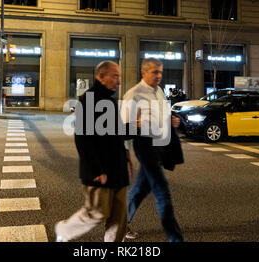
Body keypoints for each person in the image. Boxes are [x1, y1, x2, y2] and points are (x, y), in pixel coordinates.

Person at [54, 61, 132, 242]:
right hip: (100, 171)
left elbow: (117, 133)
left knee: (119, 218)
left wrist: (127, 157)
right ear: (100, 76)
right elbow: (82, 139)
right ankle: (64, 230)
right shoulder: (88, 100)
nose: (118, 81)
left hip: (118, 170)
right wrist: (96, 169)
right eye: (115, 76)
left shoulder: (110, 101)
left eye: (119, 76)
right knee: (97, 213)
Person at [121, 58, 184, 242]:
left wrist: (172, 120)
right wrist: (125, 154)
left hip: (160, 145)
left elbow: (164, 114)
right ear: (144, 72)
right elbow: (123, 127)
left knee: (141, 188)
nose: (159, 76)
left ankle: (120, 225)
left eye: (160, 72)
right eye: (155, 72)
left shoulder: (160, 91)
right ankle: (175, 238)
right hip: (145, 145)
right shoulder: (134, 94)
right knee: (161, 190)